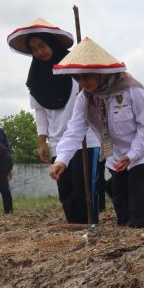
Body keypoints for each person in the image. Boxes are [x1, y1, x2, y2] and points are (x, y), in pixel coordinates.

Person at [48, 37, 144, 228]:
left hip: (143, 149)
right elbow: (74, 130)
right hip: (115, 153)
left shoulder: (132, 90)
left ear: (101, 72)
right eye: (78, 78)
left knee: (137, 200)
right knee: (121, 203)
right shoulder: (84, 99)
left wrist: (133, 155)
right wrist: (62, 159)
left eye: (87, 76)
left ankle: (137, 232)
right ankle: (124, 234)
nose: (83, 83)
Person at [7, 18, 105, 223]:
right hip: (58, 141)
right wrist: (42, 141)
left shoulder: (76, 72)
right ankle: (74, 225)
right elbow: (40, 112)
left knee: (84, 187)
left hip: (85, 138)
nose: (39, 52)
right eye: (34, 49)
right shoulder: (35, 79)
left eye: (42, 46)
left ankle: (91, 224)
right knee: (66, 188)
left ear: (52, 44)